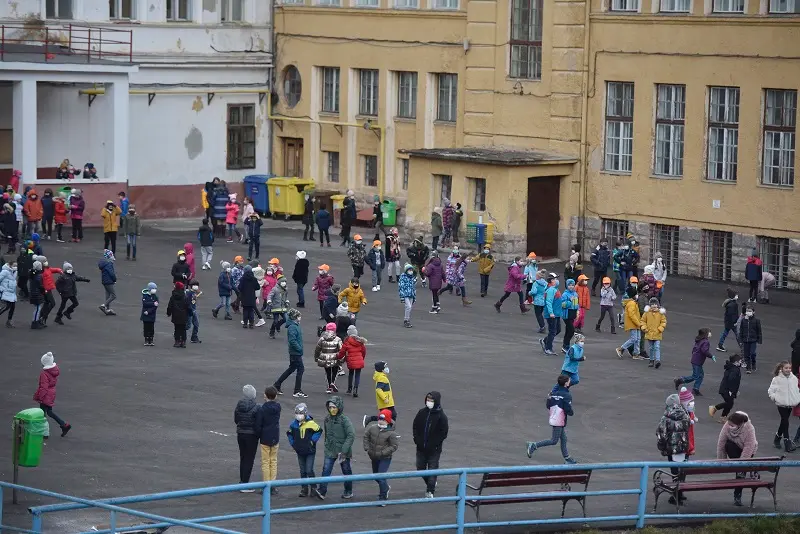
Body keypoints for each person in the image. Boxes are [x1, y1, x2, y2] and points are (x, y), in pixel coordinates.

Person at [526, 374, 577, 464]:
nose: (570, 382)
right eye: (569, 381)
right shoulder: (566, 395)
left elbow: (548, 406)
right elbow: (568, 409)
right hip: (559, 420)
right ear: (566, 384)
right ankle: (534, 445)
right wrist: (571, 412)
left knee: (564, 439)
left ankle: (567, 458)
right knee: (554, 440)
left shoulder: (554, 393)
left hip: (554, 417)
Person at [317, 396, 356, 500]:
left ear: (339, 407)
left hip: (342, 451)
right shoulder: (327, 419)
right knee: (326, 469)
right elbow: (327, 433)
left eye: (334, 407)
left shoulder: (345, 420)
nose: (332, 409)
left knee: (346, 470)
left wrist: (344, 451)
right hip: (330, 449)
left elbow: (351, 435)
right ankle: (322, 491)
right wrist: (327, 444)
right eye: (330, 407)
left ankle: (348, 491)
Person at [716, 411, 758, 507]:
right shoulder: (727, 425)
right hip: (734, 448)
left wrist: (741, 466)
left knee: (740, 474)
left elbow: (749, 448)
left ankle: (737, 495)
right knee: (728, 445)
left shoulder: (749, 429)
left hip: (747, 451)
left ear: (740, 424)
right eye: (729, 423)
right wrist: (720, 462)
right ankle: (737, 467)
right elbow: (721, 443)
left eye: (732, 425)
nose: (729, 425)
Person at [656, 393, 690, 504]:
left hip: (672, 448)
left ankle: (676, 494)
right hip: (683, 447)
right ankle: (680, 492)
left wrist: (661, 447)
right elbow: (688, 427)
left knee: (674, 472)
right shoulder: (685, 415)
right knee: (682, 471)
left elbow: (661, 434)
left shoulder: (666, 417)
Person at [412, 392, 448, 498]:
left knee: (432, 469)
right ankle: (431, 482)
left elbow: (443, 433)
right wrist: (417, 439)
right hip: (421, 448)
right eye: (428, 400)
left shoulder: (441, 416)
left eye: (432, 400)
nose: (429, 402)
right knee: (420, 468)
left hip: (434, 450)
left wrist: (435, 444)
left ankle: (430, 490)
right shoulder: (422, 412)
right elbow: (415, 426)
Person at [363, 409, 399, 503]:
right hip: (374, 457)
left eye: (383, 419)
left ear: (387, 420)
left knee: (381, 477)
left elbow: (394, 446)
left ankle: (383, 496)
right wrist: (367, 448)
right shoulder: (372, 428)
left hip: (385, 458)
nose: (380, 421)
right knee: (376, 476)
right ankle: (386, 487)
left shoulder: (391, 433)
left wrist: (383, 453)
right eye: (379, 419)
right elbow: (366, 436)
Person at [287, 402, 322, 497]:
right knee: (302, 471)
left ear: (305, 413)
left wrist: (312, 441)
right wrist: (293, 444)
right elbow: (289, 434)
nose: (299, 415)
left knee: (309, 470)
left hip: (310, 451)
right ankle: (304, 489)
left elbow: (319, 430)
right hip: (300, 451)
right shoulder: (293, 424)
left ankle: (314, 488)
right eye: (297, 413)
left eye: (301, 413)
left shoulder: (311, 423)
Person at [33, 352, 72, 437]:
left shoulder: (44, 373)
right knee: (49, 412)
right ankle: (64, 425)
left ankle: (44, 433)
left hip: (45, 395)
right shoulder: (53, 371)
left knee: (42, 415)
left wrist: (40, 397)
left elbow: (44, 387)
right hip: (51, 394)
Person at [274, 309, 307, 398]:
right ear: (295, 317)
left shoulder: (294, 326)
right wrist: (299, 349)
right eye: (299, 316)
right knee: (301, 369)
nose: (300, 317)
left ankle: (277, 385)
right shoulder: (293, 327)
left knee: (291, 369)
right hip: (295, 352)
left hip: (294, 352)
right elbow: (292, 340)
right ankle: (297, 390)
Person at [767, 361, 800, 452]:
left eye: (789, 368)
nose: (788, 370)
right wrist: (775, 398)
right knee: (785, 421)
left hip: (790, 403)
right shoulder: (776, 379)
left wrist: (797, 397)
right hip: (781, 404)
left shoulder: (794, 378)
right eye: (786, 368)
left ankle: (777, 439)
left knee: (783, 421)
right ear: (781, 368)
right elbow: (771, 391)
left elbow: (796, 390)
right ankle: (787, 442)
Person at [254, 386, 281, 494]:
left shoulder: (262, 409)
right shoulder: (278, 407)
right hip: (275, 436)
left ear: (265, 395)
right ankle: (273, 485)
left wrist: (258, 434)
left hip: (265, 438)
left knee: (265, 462)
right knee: (273, 461)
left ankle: (266, 484)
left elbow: (258, 424)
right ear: (275, 396)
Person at [674, 328, 715, 395]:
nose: (711, 333)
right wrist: (711, 356)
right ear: (706, 334)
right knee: (695, 376)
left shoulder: (699, 340)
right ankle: (680, 380)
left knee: (700, 375)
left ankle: (696, 388)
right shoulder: (706, 342)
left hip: (695, 359)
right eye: (709, 332)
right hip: (698, 361)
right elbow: (705, 351)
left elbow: (695, 349)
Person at [234, 385, 260, 491]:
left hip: (240, 433)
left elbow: (236, 419)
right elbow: (258, 423)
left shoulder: (239, 405)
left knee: (243, 457)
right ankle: (245, 483)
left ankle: (242, 481)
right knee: (249, 459)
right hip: (251, 435)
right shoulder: (257, 407)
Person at [709, 353, 742, 423]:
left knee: (729, 403)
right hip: (727, 390)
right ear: (736, 362)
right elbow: (731, 380)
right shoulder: (735, 370)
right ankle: (717, 411)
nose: (741, 362)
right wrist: (732, 391)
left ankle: (721, 415)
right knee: (729, 403)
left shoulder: (731, 367)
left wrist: (735, 390)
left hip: (726, 389)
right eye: (740, 361)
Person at [315, 323, 344, 393]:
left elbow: (317, 349)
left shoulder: (322, 339)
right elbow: (341, 349)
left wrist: (316, 357)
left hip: (325, 358)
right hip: (335, 358)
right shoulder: (338, 339)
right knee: (335, 371)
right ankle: (333, 382)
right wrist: (342, 359)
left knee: (328, 372)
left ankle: (328, 387)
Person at [616, 286, 642, 359]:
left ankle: (636, 353)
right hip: (633, 324)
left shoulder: (632, 303)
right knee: (634, 338)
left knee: (637, 338)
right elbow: (632, 315)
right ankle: (621, 348)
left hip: (635, 323)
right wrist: (638, 323)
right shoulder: (631, 303)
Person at [340, 325, 367, 397]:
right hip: (359, 360)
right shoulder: (360, 341)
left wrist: (338, 357)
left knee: (351, 374)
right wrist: (362, 358)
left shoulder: (346, 341)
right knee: (357, 375)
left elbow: (342, 351)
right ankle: (355, 389)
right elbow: (364, 351)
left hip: (351, 361)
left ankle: (349, 388)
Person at [641, 297, 667, 369]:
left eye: (655, 304)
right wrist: (644, 328)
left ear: (658, 305)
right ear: (650, 305)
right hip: (649, 333)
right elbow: (642, 321)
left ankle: (657, 360)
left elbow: (663, 322)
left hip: (657, 333)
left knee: (657, 347)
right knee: (651, 348)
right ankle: (651, 360)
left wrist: (660, 329)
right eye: (652, 304)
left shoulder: (661, 314)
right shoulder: (646, 313)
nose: (654, 305)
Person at [540, 274, 562, 356]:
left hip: (556, 314)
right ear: (551, 280)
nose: (557, 280)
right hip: (552, 314)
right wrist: (551, 313)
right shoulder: (551, 290)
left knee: (557, 330)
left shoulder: (554, 289)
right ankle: (548, 348)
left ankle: (545, 341)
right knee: (553, 331)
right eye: (555, 279)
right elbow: (548, 302)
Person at [739, 304, 762, 374]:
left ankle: (753, 363)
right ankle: (748, 368)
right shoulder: (743, 320)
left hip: (753, 340)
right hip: (745, 340)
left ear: (753, 312)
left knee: (752, 353)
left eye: (750, 311)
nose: (748, 312)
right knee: (746, 355)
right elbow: (741, 330)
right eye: (747, 311)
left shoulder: (756, 321)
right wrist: (740, 340)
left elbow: (759, 331)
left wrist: (759, 339)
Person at [166, 281, 189, 348]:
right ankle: (183, 342)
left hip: (175, 315)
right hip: (183, 315)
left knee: (177, 328)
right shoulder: (185, 296)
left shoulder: (173, 296)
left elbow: (170, 306)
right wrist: (190, 313)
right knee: (183, 329)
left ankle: (177, 341)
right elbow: (188, 306)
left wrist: (168, 313)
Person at [717, 288, 739, 352]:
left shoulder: (730, 303)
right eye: (736, 295)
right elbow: (732, 315)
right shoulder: (733, 305)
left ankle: (720, 345)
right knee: (738, 334)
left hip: (728, 322)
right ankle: (742, 347)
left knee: (725, 333)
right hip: (732, 323)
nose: (737, 296)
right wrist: (735, 322)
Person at [560, 279, 579, 351]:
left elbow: (577, 304)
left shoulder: (575, 294)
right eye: (569, 285)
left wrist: (577, 311)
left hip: (572, 314)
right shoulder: (565, 294)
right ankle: (566, 345)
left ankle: (565, 346)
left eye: (572, 285)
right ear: (566, 286)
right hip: (566, 315)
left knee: (568, 330)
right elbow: (562, 305)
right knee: (571, 331)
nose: (571, 286)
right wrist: (569, 301)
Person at [397, 263, 417, 328]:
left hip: (411, 294)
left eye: (411, 270)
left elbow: (413, 288)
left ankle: (407, 319)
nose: (411, 271)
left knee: (409, 307)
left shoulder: (412, 278)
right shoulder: (403, 277)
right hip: (405, 294)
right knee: (408, 306)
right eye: (409, 270)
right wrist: (402, 297)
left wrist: (414, 296)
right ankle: (406, 320)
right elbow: (401, 287)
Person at [98, 249, 117, 316]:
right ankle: (104, 306)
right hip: (109, 281)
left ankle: (107, 309)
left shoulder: (104, 263)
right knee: (113, 295)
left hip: (104, 281)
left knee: (108, 294)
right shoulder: (109, 264)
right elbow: (111, 273)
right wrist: (114, 279)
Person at [140, 282, 159, 346]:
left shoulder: (155, 297)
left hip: (151, 315)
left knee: (151, 328)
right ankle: (146, 339)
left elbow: (155, 306)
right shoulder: (145, 296)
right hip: (145, 315)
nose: (155, 290)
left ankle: (151, 339)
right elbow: (145, 304)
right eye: (154, 288)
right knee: (146, 328)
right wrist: (152, 303)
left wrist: (149, 311)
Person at [530, 269, 548, 333]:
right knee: (540, 313)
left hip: (537, 301)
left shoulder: (536, 283)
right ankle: (542, 326)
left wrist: (530, 293)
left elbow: (534, 292)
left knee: (538, 314)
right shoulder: (546, 283)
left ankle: (542, 326)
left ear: (538, 276)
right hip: (543, 301)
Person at [0, 261, 18, 327]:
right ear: (10, 265)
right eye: (14, 265)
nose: (15, 267)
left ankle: (9, 321)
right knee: (6, 307)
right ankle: (9, 322)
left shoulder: (15, 272)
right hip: (5, 292)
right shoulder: (5, 272)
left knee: (12, 307)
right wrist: (1, 289)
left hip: (12, 293)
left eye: (16, 266)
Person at [29, 260, 45, 329]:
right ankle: (35, 322)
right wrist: (44, 291)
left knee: (37, 308)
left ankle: (35, 321)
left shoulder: (32, 274)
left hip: (33, 293)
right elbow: (41, 286)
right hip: (37, 294)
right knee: (38, 308)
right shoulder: (38, 276)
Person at [185, 279, 202, 343]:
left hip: (194, 310)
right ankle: (179, 332)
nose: (196, 286)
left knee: (196, 324)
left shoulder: (194, 293)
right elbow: (187, 302)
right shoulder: (189, 293)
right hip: (190, 311)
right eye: (194, 285)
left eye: (197, 285)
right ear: (191, 286)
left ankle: (194, 337)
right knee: (188, 325)